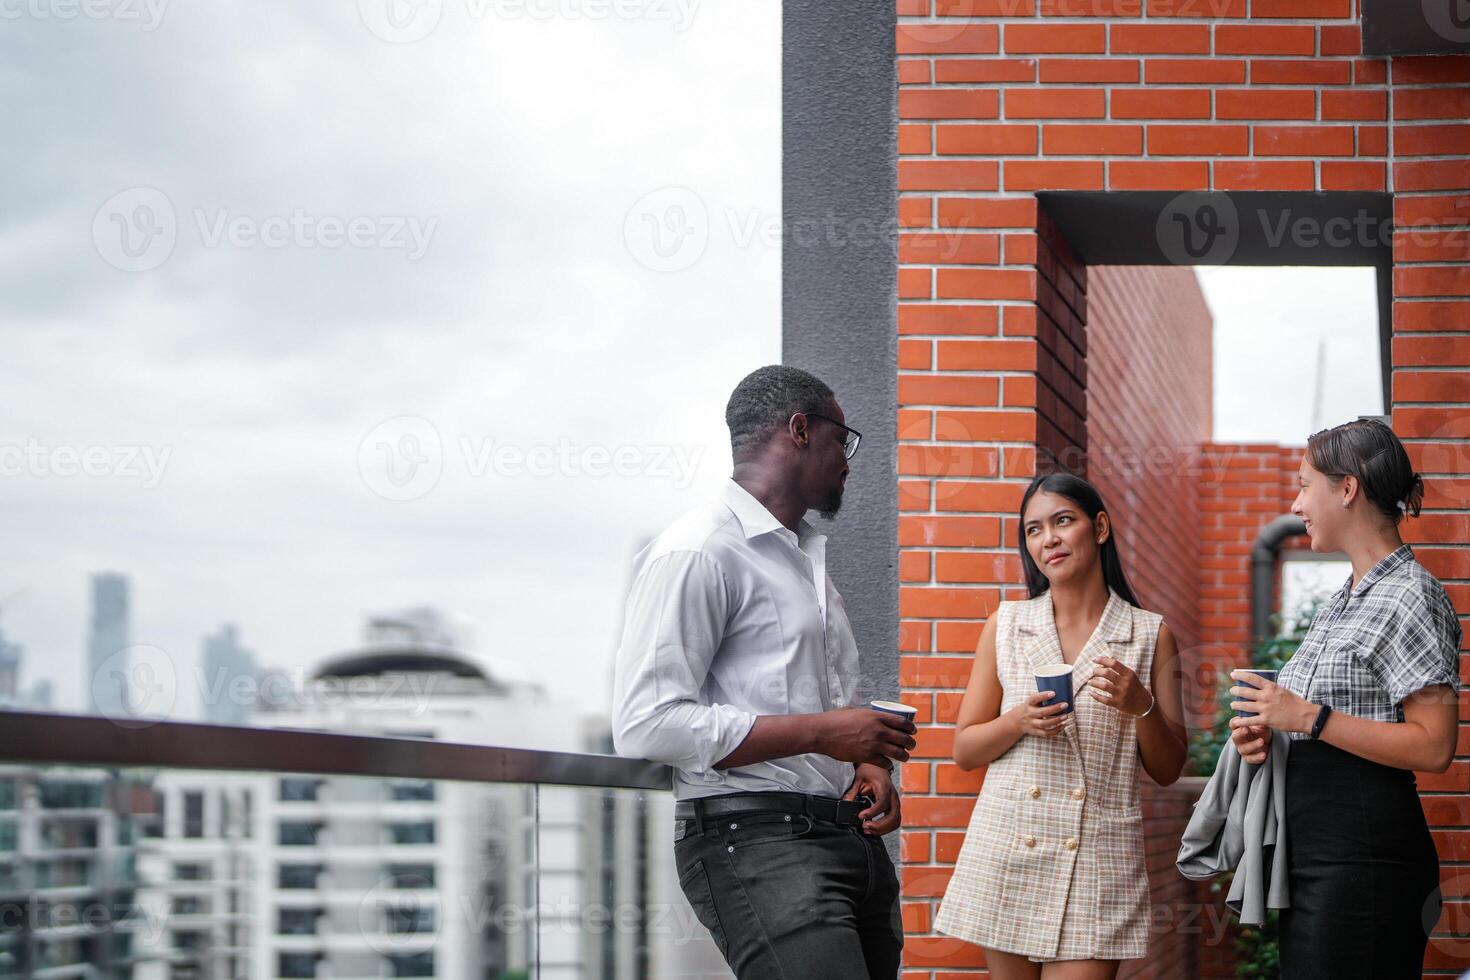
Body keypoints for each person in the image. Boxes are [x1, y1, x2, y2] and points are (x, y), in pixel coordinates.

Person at [611, 365, 916, 979]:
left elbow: (824, 702)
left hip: (845, 835)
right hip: (754, 842)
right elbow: (646, 723)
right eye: (842, 439)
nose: (848, 461)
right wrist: (823, 734)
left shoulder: (802, 557)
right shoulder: (698, 551)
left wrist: (864, 762)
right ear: (800, 430)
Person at [1229, 418, 1461, 979]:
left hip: (1363, 859)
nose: (1297, 501)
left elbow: (1435, 747)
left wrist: (1306, 716)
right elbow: (1318, 725)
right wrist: (1270, 730)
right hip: (1318, 854)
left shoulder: (1410, 594)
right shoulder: (1346, 598)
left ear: (1348, 488)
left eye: (1306, 484)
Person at [935, 472, 1188, 980]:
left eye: (1062, 521)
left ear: (1099, 528)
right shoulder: (1006, 625)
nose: (1047, 539)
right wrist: (1019, 721)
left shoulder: (1148, 634)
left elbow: (1168, 768)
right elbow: (964, 750)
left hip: (1097, 857)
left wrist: (1140, 705)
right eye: (1032, 530)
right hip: (1008, 847)